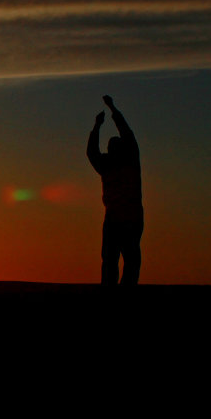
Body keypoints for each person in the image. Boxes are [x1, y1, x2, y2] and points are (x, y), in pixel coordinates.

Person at [87, 95, 143, 287]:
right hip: (122, 216)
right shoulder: (122, 162)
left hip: (126, 216)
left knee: (125, 260)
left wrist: (99, 124)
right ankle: (116, 292)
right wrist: (108, 113)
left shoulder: (122, 162)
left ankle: (116, 292)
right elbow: (94, 152)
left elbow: (93, 152)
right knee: (120, 260)